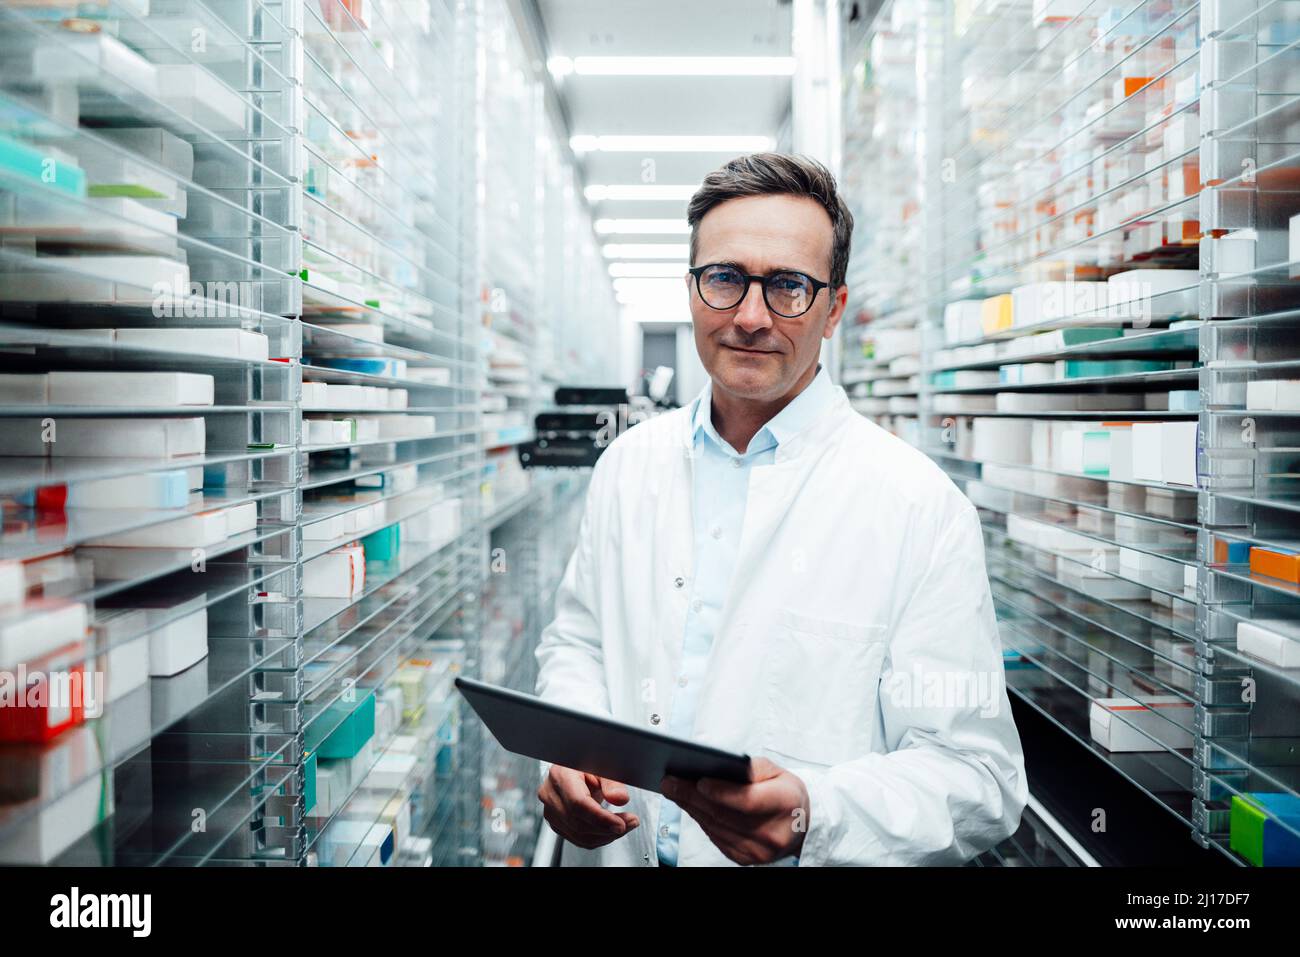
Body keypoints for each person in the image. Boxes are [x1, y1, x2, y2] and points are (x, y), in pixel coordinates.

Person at [534, 152, 1026, 866]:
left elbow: (979, 778)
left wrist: (815, 814)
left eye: (789, 286)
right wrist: (569, 750)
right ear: (693, 290)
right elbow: (579, 642)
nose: (752, 317)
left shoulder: (918, 507)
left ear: (834, 309)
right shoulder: (627, 467)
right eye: (726, 279)